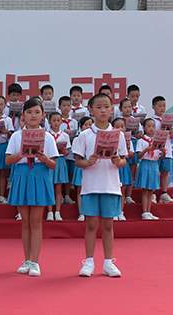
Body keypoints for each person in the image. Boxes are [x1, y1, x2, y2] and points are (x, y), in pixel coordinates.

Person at [73, 93, 126, 278]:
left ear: (112, 109)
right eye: (99, 107)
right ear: (91, 110)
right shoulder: (85, 136)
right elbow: (78, 161)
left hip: (111, 185)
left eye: (106, 107)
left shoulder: (118, 135)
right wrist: (89, 162)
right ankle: (88, 261)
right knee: (91, 224)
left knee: (108, 225)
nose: (103, 110)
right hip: (90, 186)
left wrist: (118, 160)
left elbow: (123, 161)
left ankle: (108, 262)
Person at [6, 98, 58, 277]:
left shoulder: (48, 137)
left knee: (36, 221)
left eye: (37, 112)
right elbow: (7, 160)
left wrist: (44, 158)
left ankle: (35, 262)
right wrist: (20, 152)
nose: (33, 115)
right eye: (29, 112)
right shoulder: (16, 136)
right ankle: (26, 259)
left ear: (43, 115)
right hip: (22, 175)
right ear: (23, 116)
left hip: (39, 174)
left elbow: (54, 165)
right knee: (25, 221)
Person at [135, 118, 166, 220]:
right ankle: (144, 212)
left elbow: (160, 157)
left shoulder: (157, 141)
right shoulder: (141, 141)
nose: (151, 128)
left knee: (151, 190)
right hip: (145, 164)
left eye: (153, 126)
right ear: (144, 128)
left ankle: (149, 211)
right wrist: (146, 149)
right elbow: (138, 156)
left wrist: (163, 152)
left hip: (154, 165)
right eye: (148, 126)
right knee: (145, 190)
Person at [46, 112, 71, 222]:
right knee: (49, 187)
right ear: (50, 122)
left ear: (61, 122)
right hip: (49, 160)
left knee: (58, 188)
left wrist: (64, 151)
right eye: (53, 120)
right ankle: (50, 211)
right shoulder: (46, 135)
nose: (56, 123)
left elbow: (68, 152)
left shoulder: (65, 135)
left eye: (58, 120)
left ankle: (58, 211)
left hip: (60, 161)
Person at [151, 96, 173, 203]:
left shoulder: (167, 120)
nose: (162, 108)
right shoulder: (152, 120)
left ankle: (164, 193)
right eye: (159, 106)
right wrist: (160, 129)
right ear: (153, 107)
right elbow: (150, 133)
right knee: (155, 171)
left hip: (167, 149)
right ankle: (152, 193)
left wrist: (170, 129)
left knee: (165, 171)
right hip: (156, 150)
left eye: (164, 106)